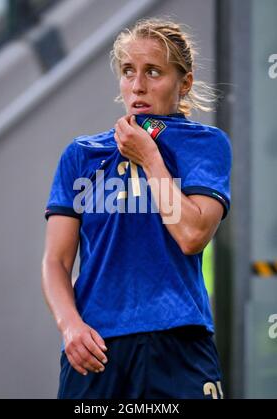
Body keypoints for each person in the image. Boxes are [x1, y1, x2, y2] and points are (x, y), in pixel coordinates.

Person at [41, 18, 231, 399]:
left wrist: (150, 158)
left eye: (153, 72)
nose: (138, 85)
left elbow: (192, 235)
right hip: (96, 348)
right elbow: (56, 262)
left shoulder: (205, 145)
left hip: (178, 344)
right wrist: (70, 327)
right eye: (129, 71)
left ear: (185, 82)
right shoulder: (82, 155)